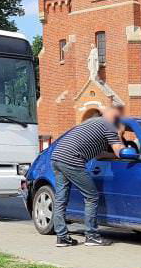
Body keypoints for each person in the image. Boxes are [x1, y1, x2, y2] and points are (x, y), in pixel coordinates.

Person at [51, 103, 125, 247]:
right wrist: (119, 134)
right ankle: (91, 236)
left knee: (61, 199)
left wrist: (111, 155)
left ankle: (62, 237)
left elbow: (99, 154)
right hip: (72, 160)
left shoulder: (93, 122)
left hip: (57, 157)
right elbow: (120, 152)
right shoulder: (109, 126)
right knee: (92, 196)